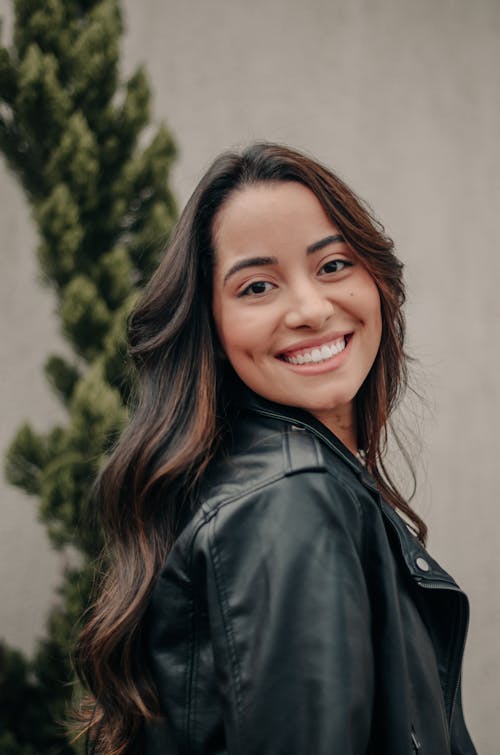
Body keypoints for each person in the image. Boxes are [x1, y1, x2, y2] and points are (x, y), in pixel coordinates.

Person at [74, 143, 477, 754]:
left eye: (334, 266)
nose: (312, 310)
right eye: (258, 286)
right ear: (210, 325)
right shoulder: (290, 500)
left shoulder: (277, 481)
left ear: (378, 280)